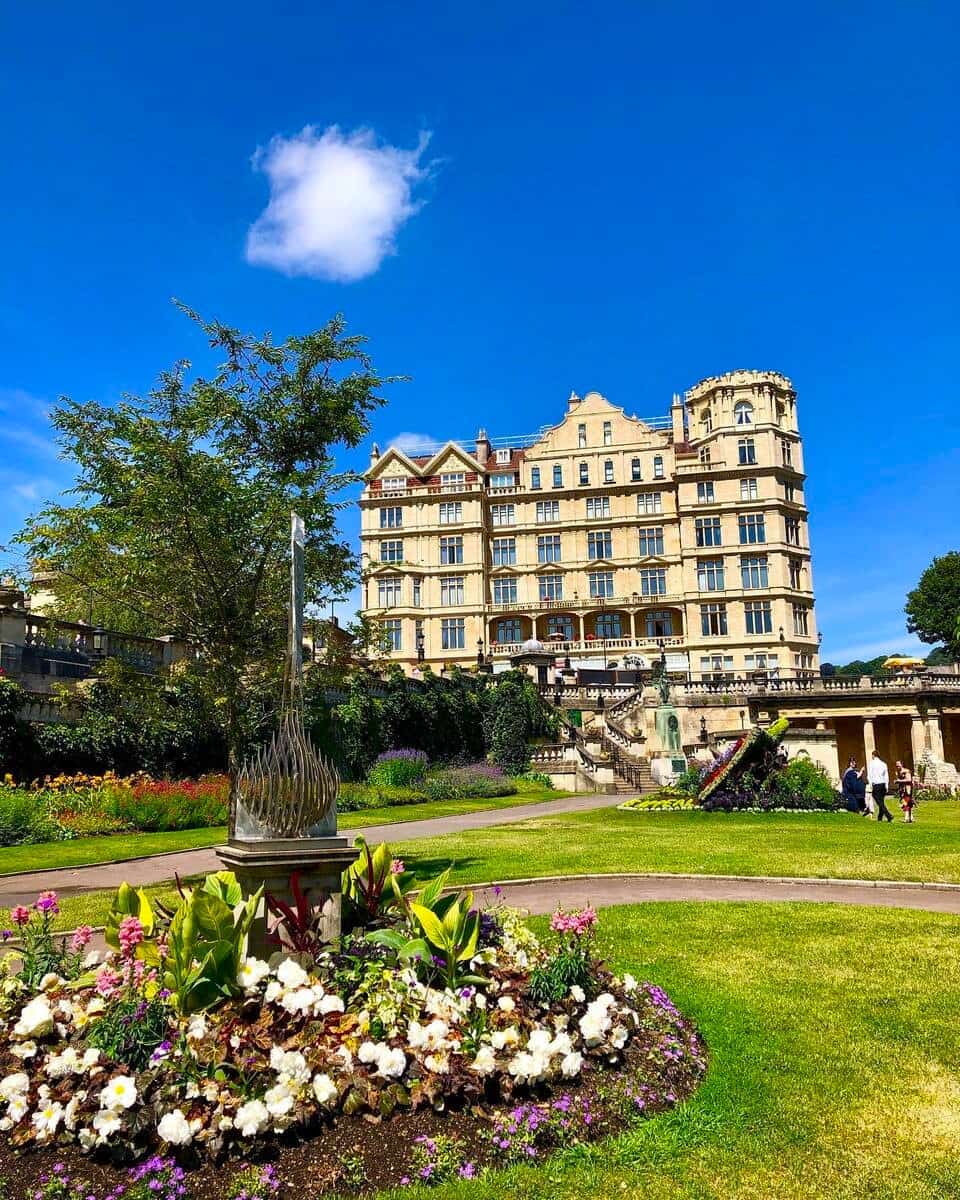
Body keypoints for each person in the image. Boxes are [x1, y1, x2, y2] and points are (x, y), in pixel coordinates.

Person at [867, 750, 893, 822]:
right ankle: (880, 817)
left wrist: (870, 784)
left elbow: (869, 775)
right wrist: (887, 785)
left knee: (879, 802)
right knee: (881, 801)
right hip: (883, 784)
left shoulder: (871, 764)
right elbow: (886, 776)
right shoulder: (883, 764)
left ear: (873, 755)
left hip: (876, 784)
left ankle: (888, 815)